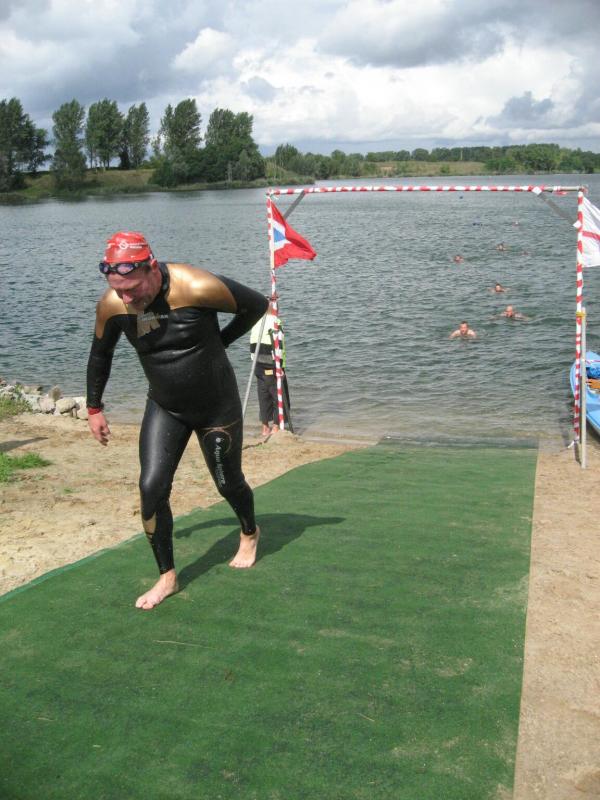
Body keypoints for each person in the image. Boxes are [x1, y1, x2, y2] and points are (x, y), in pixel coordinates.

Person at [86, 231, 268, 610]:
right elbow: (100, 355)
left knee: (227, 483)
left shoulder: (197, 286)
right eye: (118, 290)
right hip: (166, 406)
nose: (127, 298)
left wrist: (222, 340)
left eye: (132, 289)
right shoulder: (113, 305)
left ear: (152, 267)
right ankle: (167, 576)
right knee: (151, 488)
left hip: (216, 406)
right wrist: (94, 408)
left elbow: (256, 305)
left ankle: (249, 531)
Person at [249, 294, 291, 437]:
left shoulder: (256, 322)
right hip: (272, 364)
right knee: (278, 395)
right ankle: (276, 426)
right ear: (274, 309)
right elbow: (279, 346)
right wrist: (280, 367)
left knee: (263, 394)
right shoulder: (275, 322)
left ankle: (265, 427)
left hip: (257, 365)